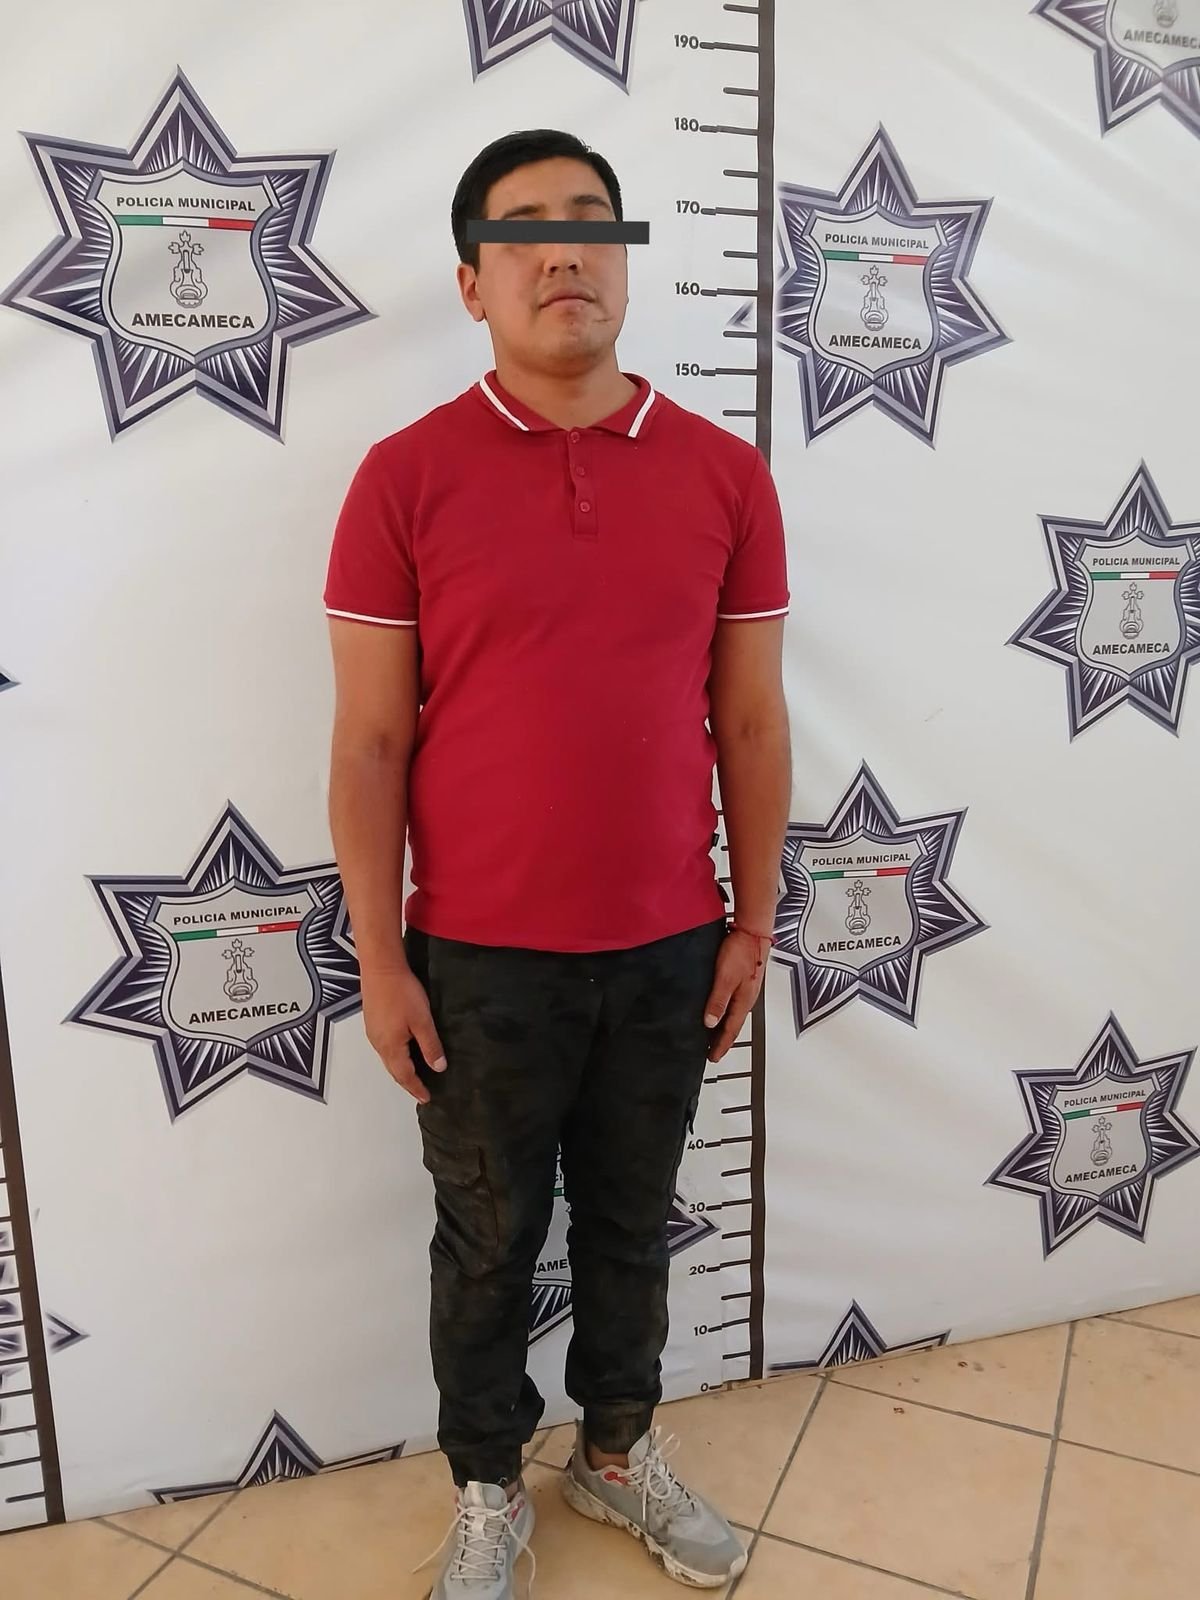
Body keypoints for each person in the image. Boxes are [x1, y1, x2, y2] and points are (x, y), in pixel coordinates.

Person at [324, 128, 791, 1598]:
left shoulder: (725, 475)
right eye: (522, 231)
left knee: (634, 1228)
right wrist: (381, 958)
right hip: (477, 964)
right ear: (474, 282)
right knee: (486, 1242)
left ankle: (616, 1453)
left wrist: (753, 923)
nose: (564, 251)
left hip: (669, 946)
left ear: (628, 262)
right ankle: (486, 1482)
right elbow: (370, 744)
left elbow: (751, 718)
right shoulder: (403, 479)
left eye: (592, 222)